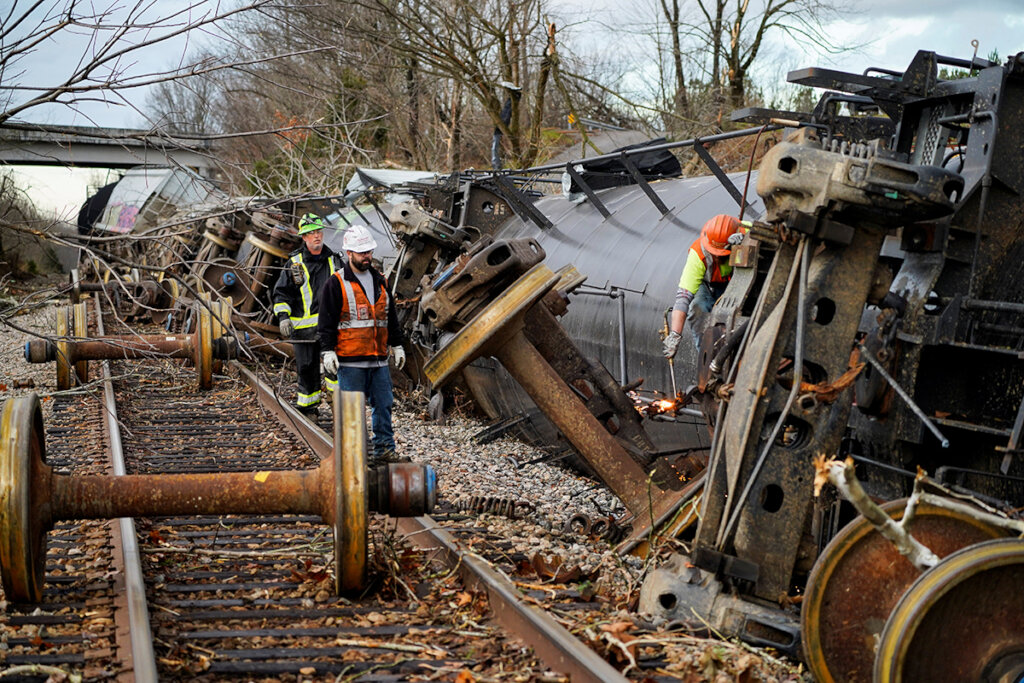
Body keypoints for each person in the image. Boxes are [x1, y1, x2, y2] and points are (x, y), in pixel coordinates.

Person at [317, 223, 407, 461]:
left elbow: (390, 317)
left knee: (384, 405)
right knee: (352, 412)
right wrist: (327, 351)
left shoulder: (380, 280)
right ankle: (352, 456)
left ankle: (384, 450)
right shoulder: (336, 283)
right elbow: (326, 321)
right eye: (362, 252)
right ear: (349, 253)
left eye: (369, 251)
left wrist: (396, 344)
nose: (367, 256)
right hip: (351, 360)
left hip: (378, 359)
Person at [272, 213, 342, 416]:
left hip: (330, 329)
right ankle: (308, 409)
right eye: (311, 233)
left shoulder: (334, 261)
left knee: (335, 368)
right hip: (303, 331)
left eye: (318, 232)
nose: (316, 236)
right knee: (306, 369)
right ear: (304, 237)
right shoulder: (294, 263)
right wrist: (284, 317)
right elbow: (281, 294)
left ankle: (338, 405)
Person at [663, 214, 745, 358]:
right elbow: (683, 297)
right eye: (715, 252)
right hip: (707, 285)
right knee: (698, 308)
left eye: (722, 253)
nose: (718, 256)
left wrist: (748, 242)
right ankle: (706, 357)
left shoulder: (746, 231)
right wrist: (675, 335)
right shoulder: (699, 253)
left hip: (738, 282)